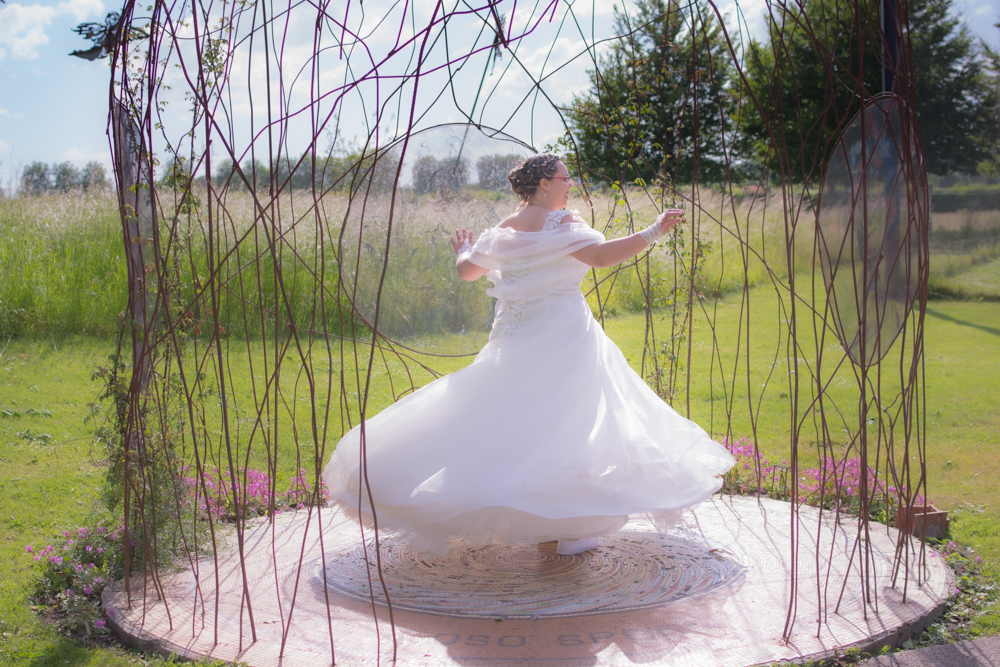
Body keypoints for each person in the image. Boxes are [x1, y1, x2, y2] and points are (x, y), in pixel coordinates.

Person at [323, 154, 735, 556]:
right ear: (543, 184)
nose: (570, 184)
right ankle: (571, 527)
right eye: (564, 178)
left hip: (515, 338)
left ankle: (541, 515)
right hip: (564, 336)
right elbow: (601, 257)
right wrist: (653, 231)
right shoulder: (564, 224)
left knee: (516, 419)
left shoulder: (504, 229)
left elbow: (469, 271)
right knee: (570, 424)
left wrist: (462, 250)